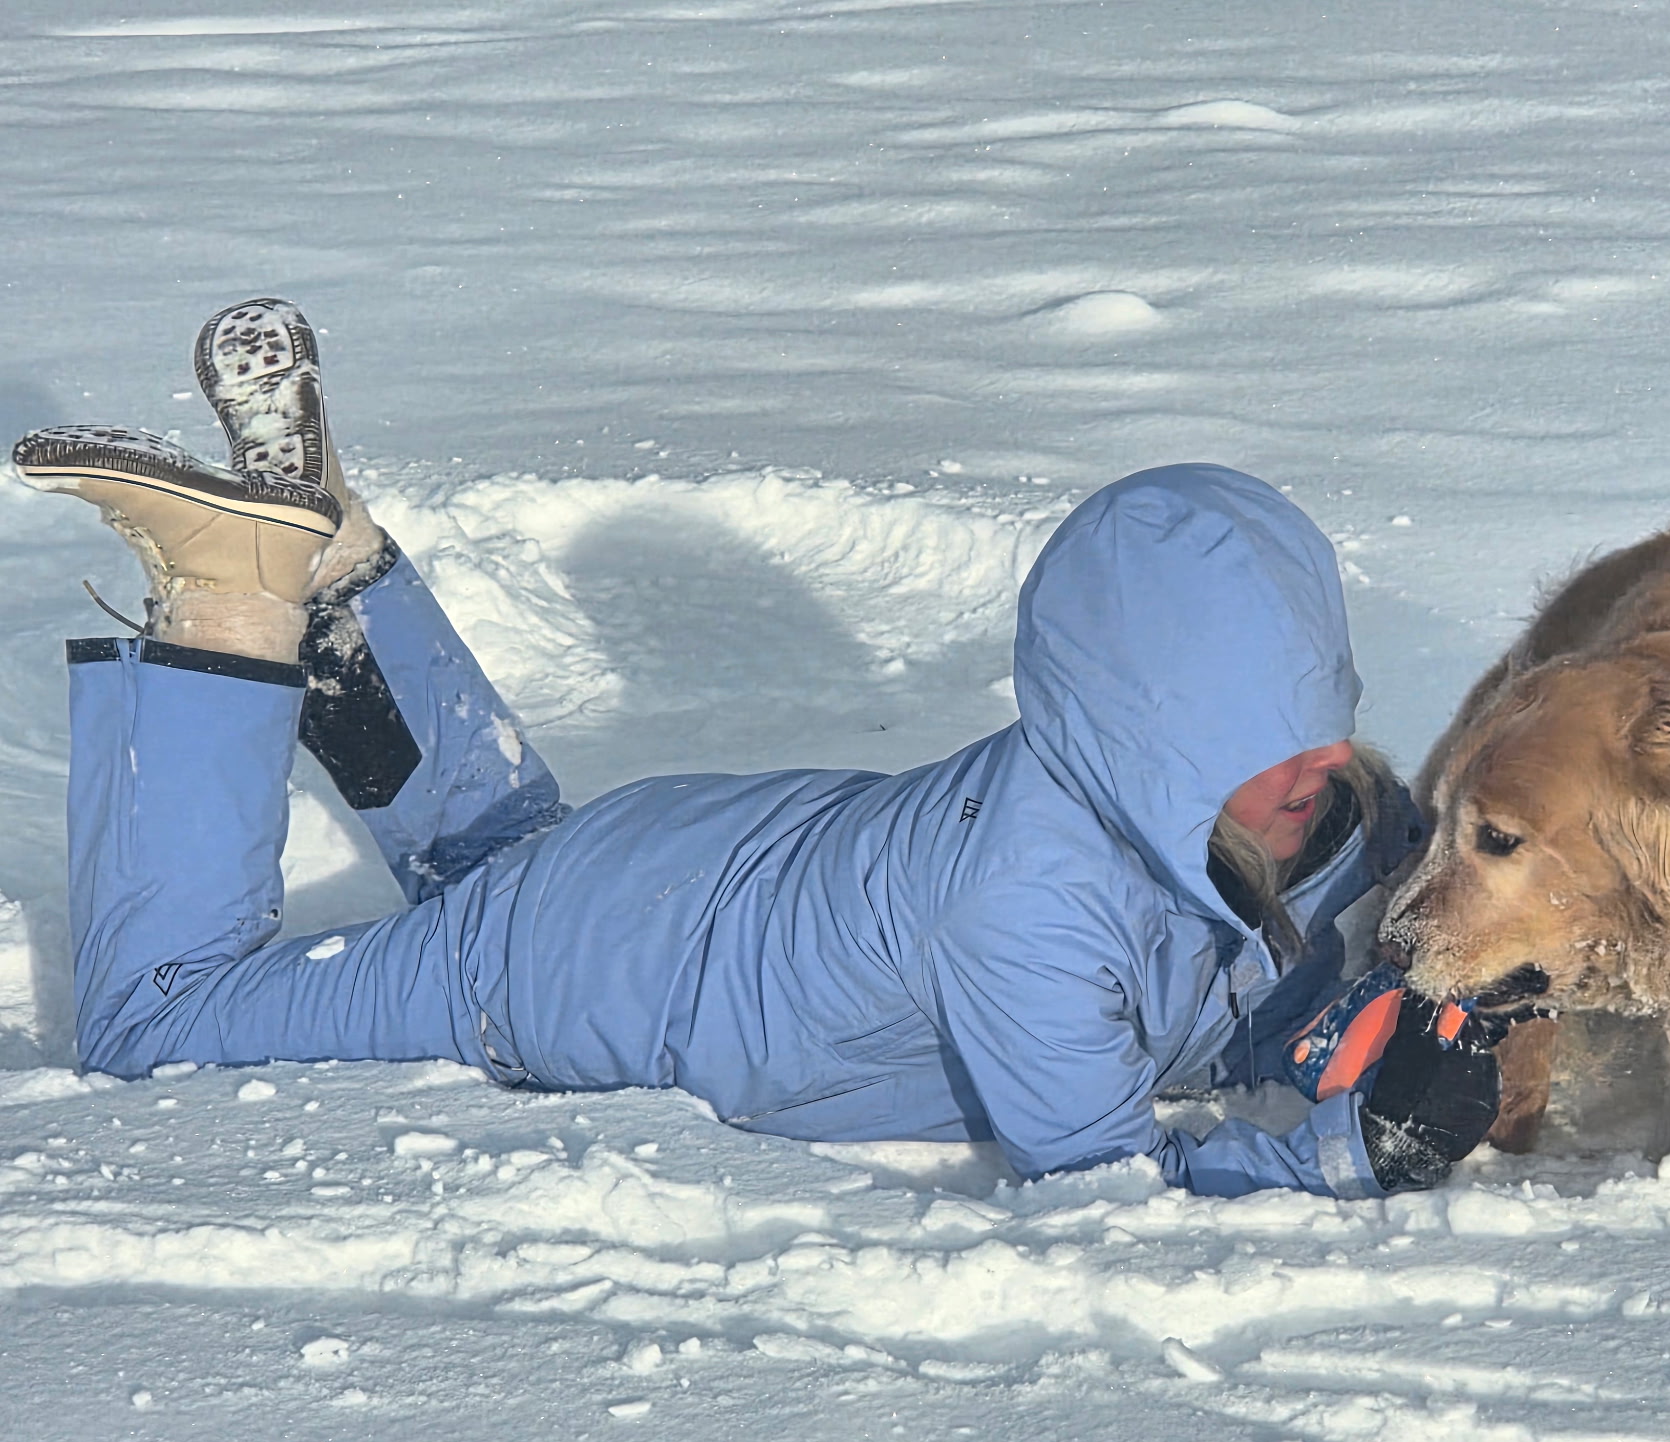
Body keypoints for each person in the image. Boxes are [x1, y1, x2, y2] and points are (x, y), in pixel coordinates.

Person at [15, 298, 1500, 1200]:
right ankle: (229, 593)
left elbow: (1324, 927)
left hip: (680, 862)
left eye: (1321, 727)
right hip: (579, 974)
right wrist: (1356, 1157)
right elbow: (1103, 1186)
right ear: (1145, 741)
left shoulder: (1320, 807)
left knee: (505, 865)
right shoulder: (1030, 916)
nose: (1319, 776)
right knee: (157, 1027)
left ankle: (322, 548)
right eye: (1260, 749)